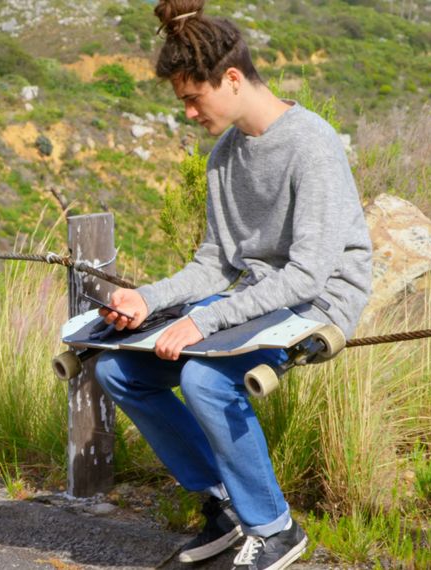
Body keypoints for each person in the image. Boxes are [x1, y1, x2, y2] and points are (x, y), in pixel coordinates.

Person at [93, 1, 373, 569]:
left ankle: (275, 527)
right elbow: (216, 264)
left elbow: (307, 273)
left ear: (233, 78)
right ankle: (223, 505)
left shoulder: (311, 144)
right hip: (257, 299)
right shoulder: (225, 154)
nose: (190, 113)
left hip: (317, 303)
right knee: (116, 369)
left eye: (193, 99)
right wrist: (149, 298)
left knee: (204, 379)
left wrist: (205, 320)